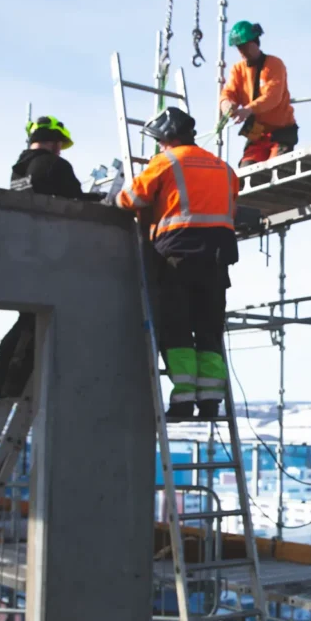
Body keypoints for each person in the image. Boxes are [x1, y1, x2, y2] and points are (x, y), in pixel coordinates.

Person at [115, 106, 240, 419]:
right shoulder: (224, 168)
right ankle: (211, 401)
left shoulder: (166, 161)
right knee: (209, 330)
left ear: (169, 137)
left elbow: (130, 199)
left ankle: (183, 401)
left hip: (178, 257)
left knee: (178, 329)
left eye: (159, 140)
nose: (158, 145)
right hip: (217, 259)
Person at [0, 116, 94, 399]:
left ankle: (2, 382)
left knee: (27, 318)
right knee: (36, 322)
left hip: (23, 252)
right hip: (50, 252)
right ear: (54, 141)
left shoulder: (19, 169)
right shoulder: (54, 165)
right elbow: (76, 202)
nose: (60, 149)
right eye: (60, 144)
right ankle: (14, 383)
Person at [219, 20, 298, 167]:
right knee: (246, 171)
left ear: (255, 42)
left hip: (281, 132)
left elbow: (272, 96)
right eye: (239, 47)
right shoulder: (238, 70)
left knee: (276, 169)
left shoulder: (274, 65)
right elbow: (229, 92)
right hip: (257, 134)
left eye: (244, 46)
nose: (242, 51)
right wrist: (226, 104)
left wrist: (248, 110)